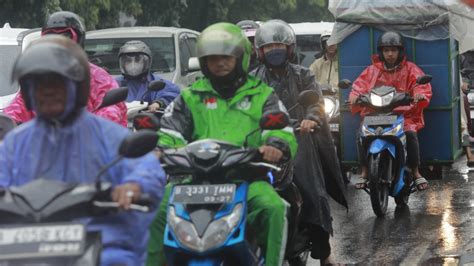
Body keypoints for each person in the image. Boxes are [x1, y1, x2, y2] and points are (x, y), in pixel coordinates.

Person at [0, 35, 165, 265]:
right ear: (27, 91)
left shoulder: (108, 136)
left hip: (99, 242)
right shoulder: (14, 144)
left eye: (56, 83)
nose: (47, 91)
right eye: (38, 84)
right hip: (28, 246)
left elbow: (144, 167)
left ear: (77, 86)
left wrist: (134, 187)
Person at [146, 22, 298, 266]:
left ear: (241, 58)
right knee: (155, 209)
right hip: (192, 181)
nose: (220, 63)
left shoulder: (261, 94)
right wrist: (159, 150)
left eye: (226, 57)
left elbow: (280, 128)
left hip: (244, 180)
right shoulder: (190, 95)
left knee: (274, 209)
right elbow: (169, 130)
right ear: (204, 62)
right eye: (213, 58)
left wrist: (275, 145)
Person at [252, 19, 348, 265]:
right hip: (264, 143)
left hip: (300, 140)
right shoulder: (252, 80)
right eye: (269, 46)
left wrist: (311, 119)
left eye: (279, 46)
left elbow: (315, 102)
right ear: (260, 51)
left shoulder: (303, 74)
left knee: (313, 193)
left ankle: (325, 253)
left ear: (290, 49)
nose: (274, 50)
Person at [4, 11, 127, 126]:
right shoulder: (38, 77)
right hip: (42, 144)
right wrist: (7, 121)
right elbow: (19, 107)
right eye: (52, 39)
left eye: (64, 39)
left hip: (90, 144)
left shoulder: (98, 77)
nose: (58, 46)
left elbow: (112, 111)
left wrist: (95, 126)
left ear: (78, 41)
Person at [348, 31, 432, 190]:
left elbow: (420, 85)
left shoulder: (410, 68)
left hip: (403, 115)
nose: (390, 54)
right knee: (361, 134)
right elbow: (359, 86)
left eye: (393, 50)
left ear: (400, 51)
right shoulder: (372, 70)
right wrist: (354, 95)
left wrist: (419, 94)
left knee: (410, 133)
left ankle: (415, 172)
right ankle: (365, 170)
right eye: (386, 50)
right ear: (381, 52)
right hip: (374, 114)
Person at [115, 40, 180, 112]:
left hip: (147, 120)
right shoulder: (116, 83)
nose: (133, 65)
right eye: (128, 61)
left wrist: (158, 103)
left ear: (146, 62)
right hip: (119, 120)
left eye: (137, 60)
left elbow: (172, 93)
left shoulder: (155, 81)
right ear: (123, 63)